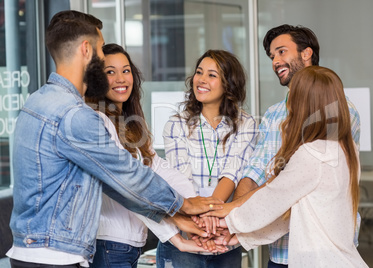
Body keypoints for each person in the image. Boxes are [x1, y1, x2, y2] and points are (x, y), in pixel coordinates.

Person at [7, 10, 222, 268]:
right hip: (55, 257)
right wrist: (183, 205)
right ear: (86, 49)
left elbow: (113, 182)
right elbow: (126, 176)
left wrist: (176, 222)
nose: (101, 58)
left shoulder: (36, 102)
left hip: (29, 251)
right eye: (100, 52)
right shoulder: (76, 116)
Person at [230, 24, 361, 267]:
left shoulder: (342, 111)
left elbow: (288, 186)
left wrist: (228, 220)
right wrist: (231, 216)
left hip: (324, 248)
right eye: (272, 56)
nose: (275, 61)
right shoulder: (273, 114)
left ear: (306, 53)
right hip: (281, 252)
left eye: (281, 51)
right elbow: (256, 172)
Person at [86, 43, 226, 268]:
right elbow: (130, 188)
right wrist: (176, 234)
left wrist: (196, 208)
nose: (121, 78)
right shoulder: (98, 121)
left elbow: (160, 169)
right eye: (110, 72)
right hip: (108, 244)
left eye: (126, 70)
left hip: (125, 246)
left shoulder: (129, 125)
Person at [157, 49, 257, 268]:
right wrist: (202, 219)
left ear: (228, 84)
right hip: (184, 234)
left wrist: (210, 217)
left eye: (212, 75)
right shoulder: (176, 124)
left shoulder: (246, 124)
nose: (201, 80)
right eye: (199, 72)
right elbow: (181, 179)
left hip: (223, 239)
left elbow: (233, 173)